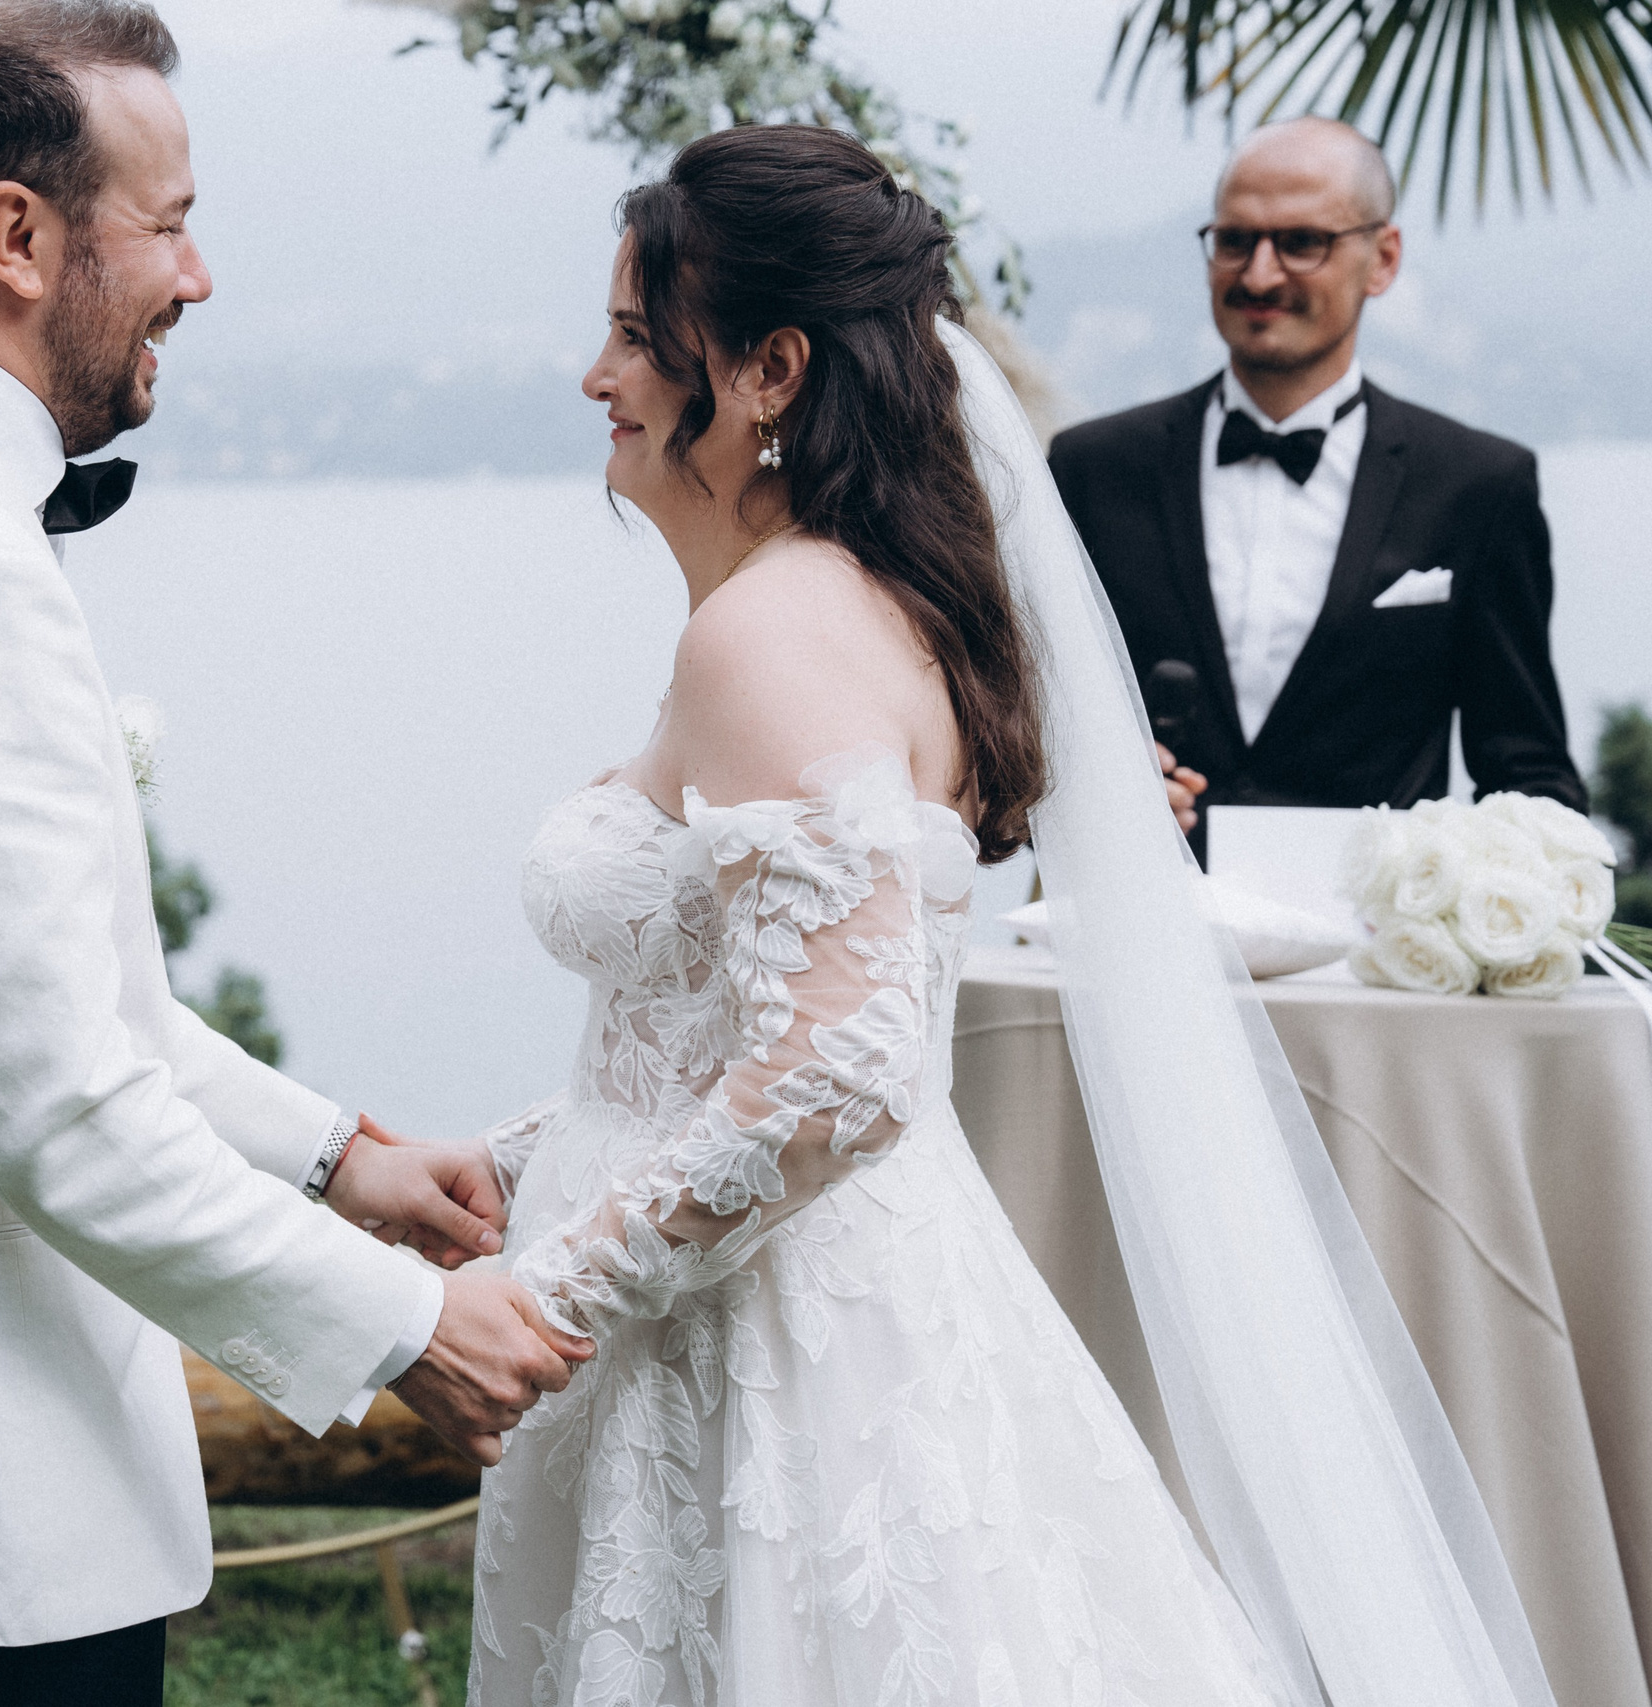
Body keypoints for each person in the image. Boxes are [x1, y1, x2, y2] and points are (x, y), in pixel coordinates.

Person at [430, 125, 1554, 1707]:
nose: (595, 373)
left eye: (632, 332)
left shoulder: (772, 636)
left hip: (760, 1346)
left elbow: (839, 1072)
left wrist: (544, 1296)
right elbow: (753, 1013)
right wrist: (534, 1153)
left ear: (765, 370)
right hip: (781, 1289)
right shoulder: (862, 601)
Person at [0, 6, 586, 1704]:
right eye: (170, 221)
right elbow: (58, 1104)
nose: (199, 276)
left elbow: (33, 995)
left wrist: (334, 1156)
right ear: (17, 235)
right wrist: (408, 1326)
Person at [1049, 118, 1586, 846]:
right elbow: (1016, 715)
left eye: (1303, 243)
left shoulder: (1479, 485)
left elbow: (1528, 773)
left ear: (1383, 258)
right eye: (1235, 241)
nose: (1260, 275)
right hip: (1144, 934)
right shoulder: (1091, 467)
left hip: (1369, 951)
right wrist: (1093, 781)